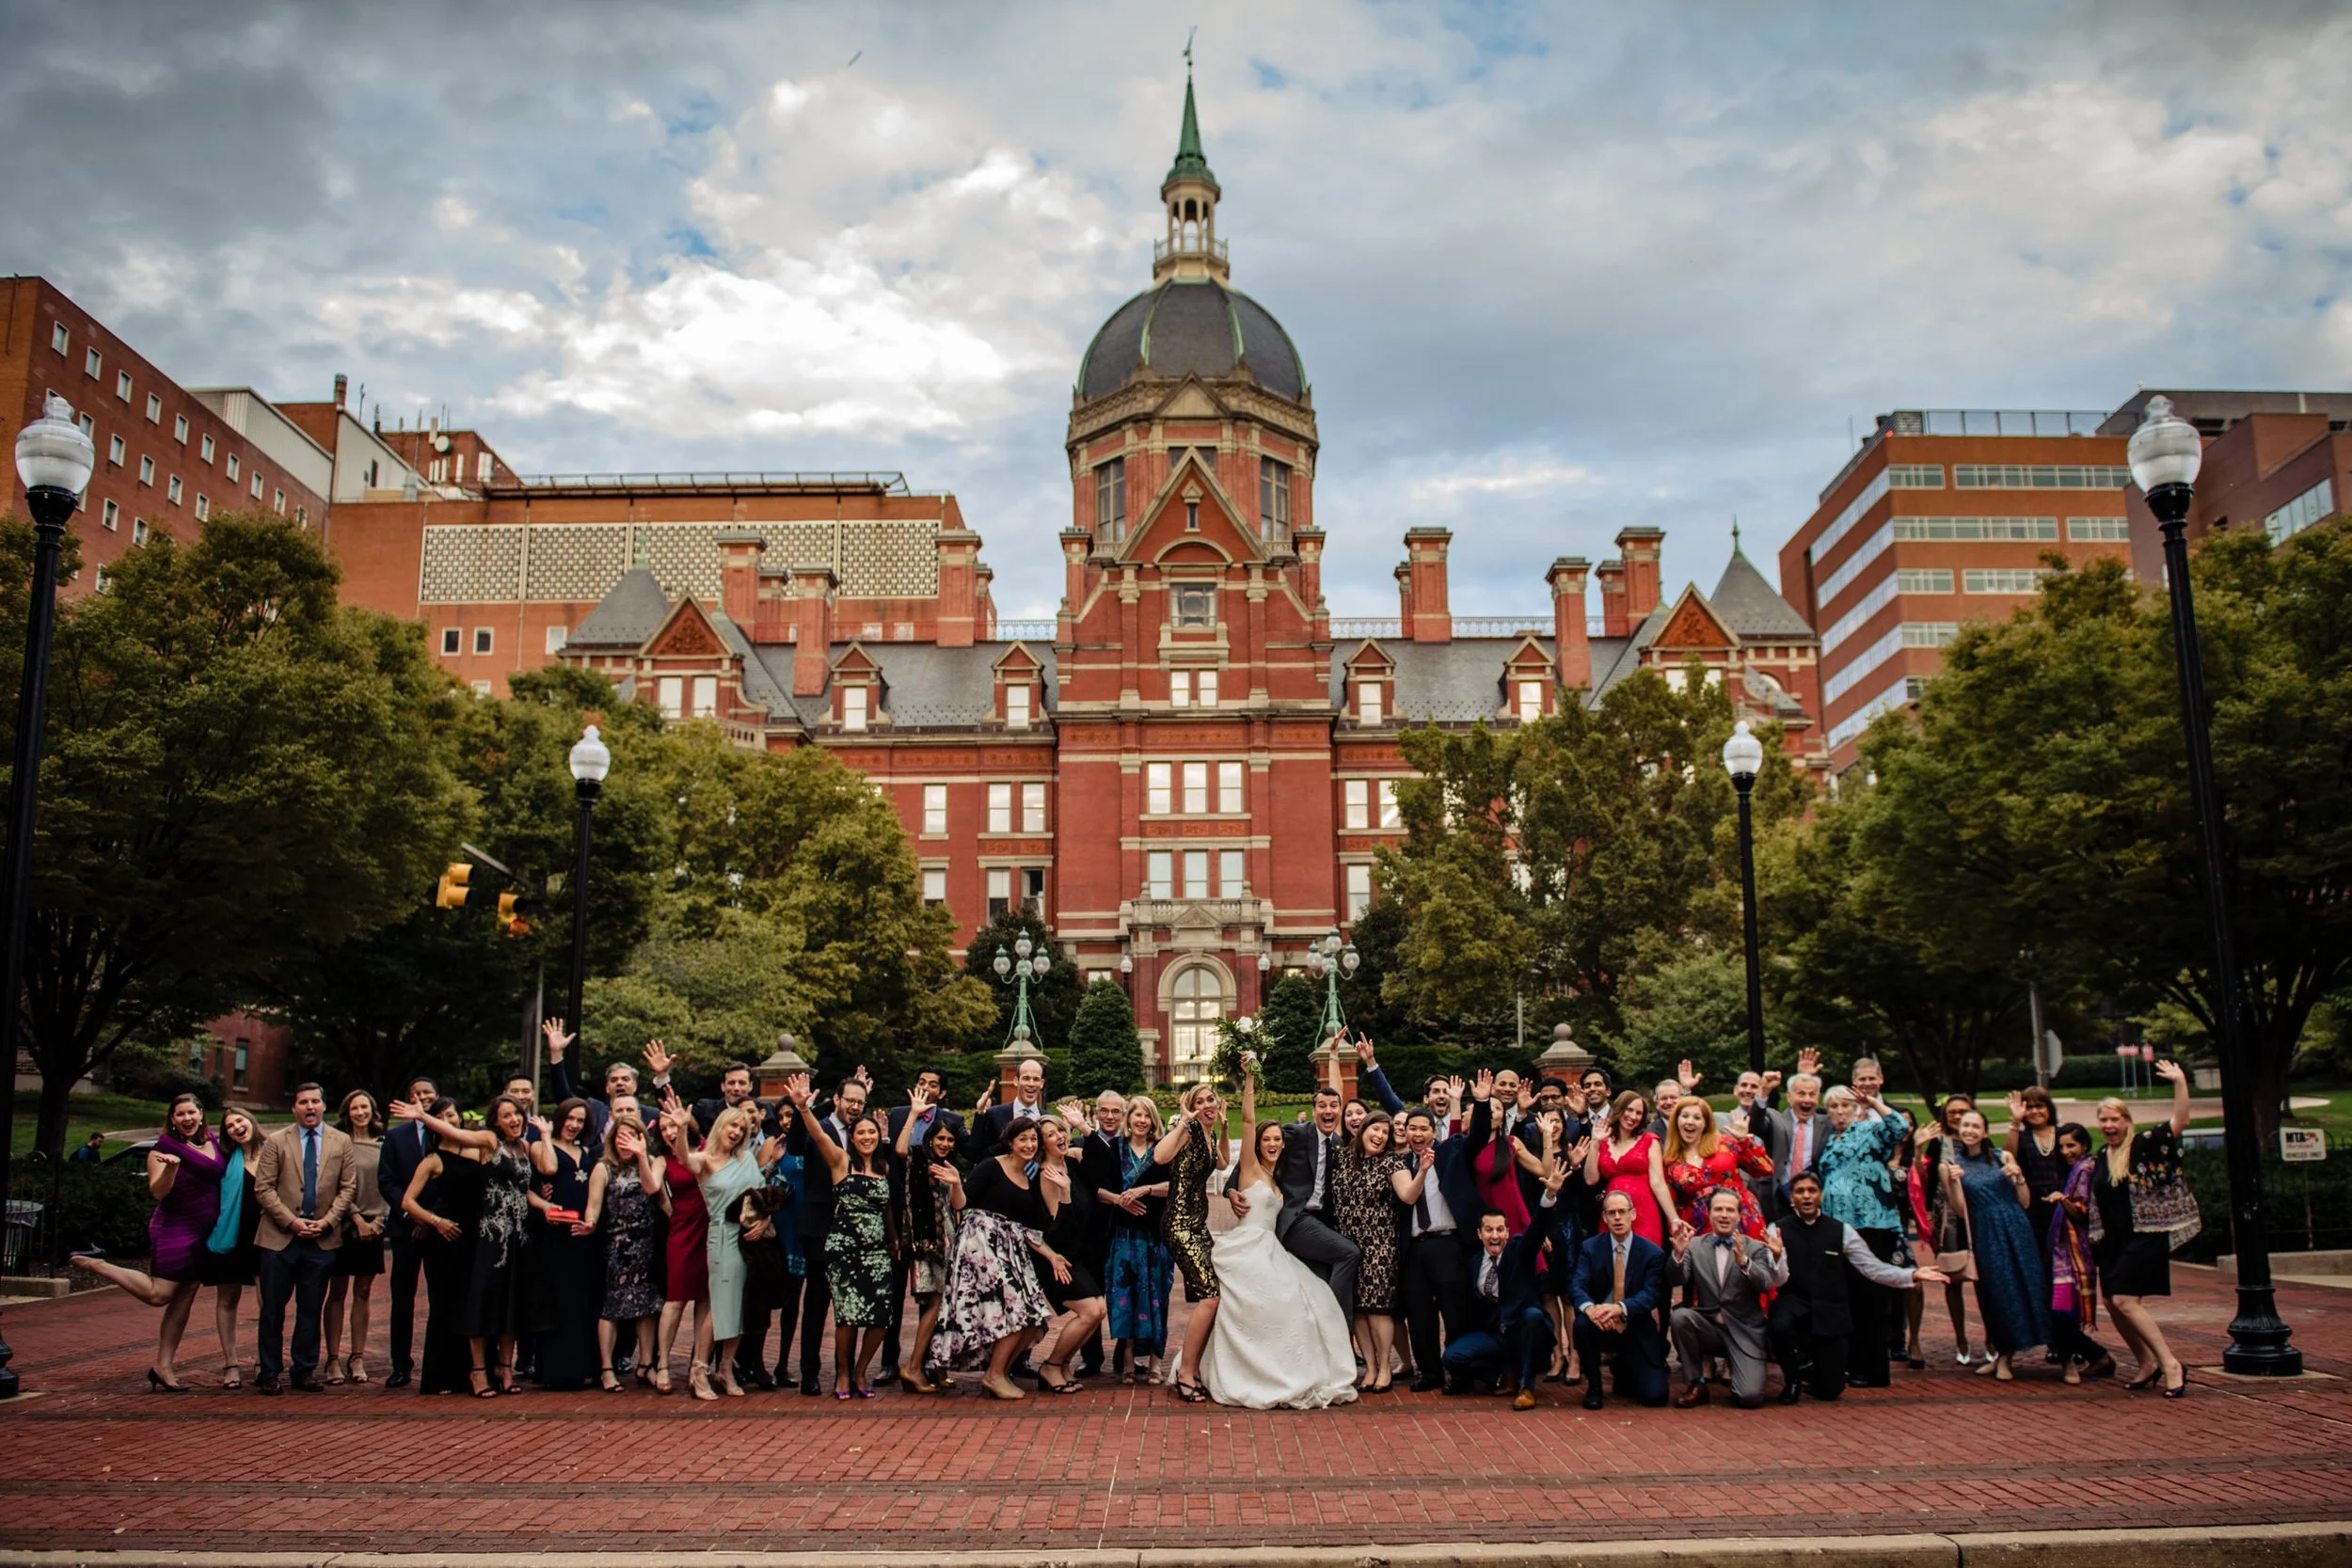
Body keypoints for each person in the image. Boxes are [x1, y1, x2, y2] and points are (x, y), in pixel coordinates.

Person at [1194, 1062, 1359, 1410]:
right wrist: (1250, 1077)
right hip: (1250, 1247)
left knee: (1303, 1301)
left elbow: (1335, 1103)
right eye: (1267, 1140)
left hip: (1273, 1246)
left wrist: (1331, 1059)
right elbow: (1250, 1122)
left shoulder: (1279, 1175)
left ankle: (1286, 1363)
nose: (1271, 1143)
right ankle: (1254, 1369)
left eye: (1276, 1140)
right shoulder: (1253, 1166)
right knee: (1277, 1303)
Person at [393, 1094, 554, 1396]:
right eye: (506, 1115)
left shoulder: (525, 1147)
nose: (514, 1119)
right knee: (482, 1305)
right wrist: (423, 1116)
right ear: (495, 1121)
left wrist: (544, 1136)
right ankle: (477, 1371)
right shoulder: (488, 1143)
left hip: (519, 1236)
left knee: (511, 1305)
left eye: (517, 1114)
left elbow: (545, 1169)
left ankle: (505, 1370)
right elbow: (456, 1134)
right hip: (490, 1237)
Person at [67, 1093, 226, 1391]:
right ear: (172, 1119)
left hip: (205, 1233)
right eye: (179, 1114)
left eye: (191, 1112)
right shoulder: (163, 1149)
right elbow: (158, 1192)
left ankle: (163, 1367)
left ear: (202, 1114)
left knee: (185, 1296)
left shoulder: (213, 1143)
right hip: (174, 1228)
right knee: (158, 1294)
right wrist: (172, 1168)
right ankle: (100, 1266)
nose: (186, 1118)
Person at [1770, 1171, 1947, 1402]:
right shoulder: (1777, 1230)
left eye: (1812, 1191)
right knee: (1779, 1326)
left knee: (1830, 1391)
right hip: (1795, 1304)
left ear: (1821, 1196)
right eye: (1800, 1191)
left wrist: (1913, 1274)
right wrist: (1776, 1257)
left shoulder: (1841, 1230)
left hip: (1830, 1310)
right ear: (1792, 1198)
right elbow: (1777, 1280)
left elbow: (1873, 1269)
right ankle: (1792, 1378)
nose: (1806, 1196)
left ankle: (1814, 1369)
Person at [930, 1116, 1065, 1401]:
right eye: (1023, 1139)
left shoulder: (1030, 1178)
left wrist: (1052, 1255)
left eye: (1033, 1139)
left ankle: (998, 1371)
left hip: (1010, 1248)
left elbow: (1031, 1227)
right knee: (1017, 1311)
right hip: (979, 1244)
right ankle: (994, 1375)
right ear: (1011, 1142)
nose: (1029, 1145)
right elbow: (962, 1204)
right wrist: (956, 1183)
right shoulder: (991, 1166)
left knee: (1034, 1317)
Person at [781, 1075, 897, 1400]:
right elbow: (796, 1146)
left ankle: (850, 1369)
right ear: (836, 1099)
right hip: (824, 1229)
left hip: (870, 1242)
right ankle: (811, 1373)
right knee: (819, 1305)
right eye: (850, 1101)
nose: (855, 1107)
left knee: (865, 1310)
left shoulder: (869, 1138)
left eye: (860, 1102)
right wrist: (802, 1108)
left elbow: (888, 1196)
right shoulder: (825, 1130)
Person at [2093, 1060, 2197, 1397]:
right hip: (2111, 1240)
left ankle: (2170, 1363)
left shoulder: (2142, 1145)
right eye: (2104, 1120)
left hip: (2145, 1233)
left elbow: (2179, 1122)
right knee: (2111, 1302)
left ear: (2126, 1121)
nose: (2109, 1125)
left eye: (2115, 1119)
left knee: (2125, 1300)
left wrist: (2180, 1083)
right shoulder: (2099, 1155)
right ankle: (2145, 1362)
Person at [251, 1084, 358, 1394]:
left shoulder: (342, 1141)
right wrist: (292, 1221)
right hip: (279, 1239)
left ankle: (304, 1369)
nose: (309, 1107)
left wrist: (327, 1222)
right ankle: (269, 1371)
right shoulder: (276, 1141)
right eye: (302, 1102)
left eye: (315, 1101)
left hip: (322, 1240)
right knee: (272, 1309)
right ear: (294, 1108)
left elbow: (348, 1188)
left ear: (324, 1106)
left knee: (310, 1308)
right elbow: (264, 1188)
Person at [1814, 1085, 1912, 1387]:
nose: (1839, 1113)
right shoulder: (1830, 1142)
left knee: (1871, 1297)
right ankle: (1852, 1364)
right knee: (1849, 1296)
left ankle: (1874, 1370)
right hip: (1837, 1226)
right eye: (1833, 1108)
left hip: (1871, 1223)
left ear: (1855, 1109)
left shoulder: (1870, 1133)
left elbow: (1900, 1127)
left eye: (1845, 1107)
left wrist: (1873, 1103)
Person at [665, 1098, 764, 1399]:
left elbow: (759, 1195)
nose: (736, 1131)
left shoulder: (746, 1159)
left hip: (750, 1239)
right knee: (719, 1307)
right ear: (721, 1125)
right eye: (733, 1125)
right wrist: (682, 1129)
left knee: (740, 1307)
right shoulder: (705, 1160)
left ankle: (726, 1368)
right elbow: (683, 1160)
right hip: (722, 1237)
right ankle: (698, 1370)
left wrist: (763, 1221)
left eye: (743, 1128)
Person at [1393, 1085, 1489, 1393]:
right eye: (1412, 1129)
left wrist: (1483, 1102)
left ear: (1434, 1132)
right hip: (1415, 1249)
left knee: (1455, 1312)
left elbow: (1477, 1138)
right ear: (1405, 1132)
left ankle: (1460, 1374)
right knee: (1419, 1315)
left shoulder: (1450, 1152)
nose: (1418, 1134)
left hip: (1448, 1244)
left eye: (1424, 1129)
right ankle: (1430, 1373)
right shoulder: (1401, 1164)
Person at [1941, 1107, 2049, 1380]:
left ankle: (2053, 1348)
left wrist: (2019, 1176)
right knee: (1995, 1294)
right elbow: (1959, 1209)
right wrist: (1954, 1183)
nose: (1969, 1131)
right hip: (1984, 1231)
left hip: (2015, 1226)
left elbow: (2024, 1201)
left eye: (1975, 1126)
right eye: (1965, 1125)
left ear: (1985, 1132)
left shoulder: (2003, 1157)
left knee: (2029, 1286)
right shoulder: (1951, 1164)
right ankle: (2003, 1355)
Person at [880, 1067, 966, 1382]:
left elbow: (959, 1205)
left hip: (946, 1239)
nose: (945, 1143)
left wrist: (957, 1182)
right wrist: (914, 1115)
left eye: (949, 1140)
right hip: (922, 1237)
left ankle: (933, 1364)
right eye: (939, 1139)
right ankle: (913, 1366)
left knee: (940, 1302)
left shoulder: (948, 1166)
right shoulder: (919, 1159)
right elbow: (899, 1150)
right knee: (932, 1301)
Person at [1444, 1195, 1567, 1409]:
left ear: (1508, 1233)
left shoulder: (1519, 1250)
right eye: (1489, 1230)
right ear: (1480, 1234)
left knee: (1534, 1315)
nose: (1495, 1235)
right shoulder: (1473, 1263)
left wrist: (1548, 1198)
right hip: (1494, 1335)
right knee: (1453, 1357)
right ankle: (1502, 1376)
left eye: (1500, 1230)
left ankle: (1527, 1386)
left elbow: (1536, 1231)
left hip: (1524, 1330)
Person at [1667, 1189, 1787, 1408]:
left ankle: (1739, 1366)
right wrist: (1678, 1255)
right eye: (1718, 1209)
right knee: (1680, 1317)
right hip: (1710, 1327)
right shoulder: (1694, 1246)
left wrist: (1744, 1263)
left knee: (1749, 1398)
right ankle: (1696, 1383)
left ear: (1740, 1215)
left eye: (1730, 1210)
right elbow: (1677, 1279)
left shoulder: (1756, 1247)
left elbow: (1765, 1284)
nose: (1724, 1215)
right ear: (1709, 1213)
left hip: (1745, 1331)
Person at [396, 1097, 479, 1396]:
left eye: (452, 1114)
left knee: (471, 1307)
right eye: (441, 1116)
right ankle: (438, 1377)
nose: (449, 1119)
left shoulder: (475, 1151)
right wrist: (436, 1222)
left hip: (474, 1239)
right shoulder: (432, 1160)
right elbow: (407, 1202)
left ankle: (470, 1374)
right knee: (444, 1307)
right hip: (444, 1242)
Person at [582, 1105, 668, 1391]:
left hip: (646, 1242)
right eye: (621, 1137)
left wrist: (642, 1155)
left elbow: (651, 1188)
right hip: (617, 1246)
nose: (626, 1142)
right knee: (612, 1307)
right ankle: (606, 1368)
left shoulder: (655, 1161)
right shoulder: (602, 1168)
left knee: (646, 1304)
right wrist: (589, 1224)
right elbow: (593, 1208)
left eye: (633, 1136)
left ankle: (645, 1364)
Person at [1330, 1108, 1412, 1391]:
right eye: (1374, 1129)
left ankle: (1386, 1368)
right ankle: (1371, 1367)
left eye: (1384, 1133)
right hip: (1347, 1245)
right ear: (1362, 1129)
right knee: (1358, 1311)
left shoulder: (1393, 1162)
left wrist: (1423, 1171)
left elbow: (1408, 1195)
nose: (1378, 1136)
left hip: (1379, 1245)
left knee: (1378, 1309)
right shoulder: (1342, 1159)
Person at [529, 1098, 603, 1390]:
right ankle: (555, 1369)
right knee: (557, 1300)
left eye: (580, 1121)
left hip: (583, 1235)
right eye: (570, 1119)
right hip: (555, 1234)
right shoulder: (540, 1146)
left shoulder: (586, 1152)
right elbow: (546, 1170)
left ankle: (583, 1366)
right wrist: (546, 1136)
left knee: (582, 1300)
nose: (574, 1125)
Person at [1569, 1192, 1668, 1410]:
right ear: (1604, 1217)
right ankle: (1594, 1387)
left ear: (1632, 1214)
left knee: (1656, 1396)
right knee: (1581, 1325)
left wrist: (1618, 1308)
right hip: (1599, 1324)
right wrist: (1592, 1310)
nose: (1617, 1218)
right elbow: (1577, 1285)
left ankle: (1623, 1370)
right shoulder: (1590, 1247)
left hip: (1634, 1325)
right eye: (1611, 1213)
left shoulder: (1652, 1253)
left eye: (1622, 1212)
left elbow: (1650, 1295)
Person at [1100, 1095, 1171, 1385]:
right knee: (1124, 1301)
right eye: (1136, 1115)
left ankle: (1155, 1362)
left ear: (1154, 1121)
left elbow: (1176, 1187)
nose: (1141, 1121)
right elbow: (1097, 1189)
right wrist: (1119, 1200)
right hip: (1123, 1239)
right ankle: (1127, 1360)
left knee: (1157, 1300)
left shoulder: (1162, 1152)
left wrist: (1145, 1190)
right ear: (1128, 1119)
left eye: (1147, 1116)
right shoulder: (1114, 1149)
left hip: (1154, 1240)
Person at [1034, 1116, 1107, 1392]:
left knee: (1099, 1309)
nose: (1060, 1137)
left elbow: (1103, 1162)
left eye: (1062, 1131)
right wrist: (1064, 1193)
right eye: (1051, 1135)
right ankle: (1051, 1366)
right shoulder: (1047, 1175)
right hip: (1056, 1257)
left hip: (1077, 1254)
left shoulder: (1072, 1164)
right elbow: (1056, 1230)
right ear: (1042, 1144)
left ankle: (1063, 1364)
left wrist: (1085, 1129)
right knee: (1089, 1310)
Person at [374, 1073, 438, 1388]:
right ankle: (401, 1366)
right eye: (417, 1093)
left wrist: (431, 1219)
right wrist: (413, 1215)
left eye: (428, 1093)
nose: (423, 1097)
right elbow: (386, 1180)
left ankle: (439, 1364)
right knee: (403, 1299)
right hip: (404, 1228)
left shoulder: (447, 1132)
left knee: (441, 1299)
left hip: (441, 1229)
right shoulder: (396, 1137)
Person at [322, 1090, 388, 1386]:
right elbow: (333, 1185)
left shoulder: (384, 1144)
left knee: (362, 1293)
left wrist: (379, 1220)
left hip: (375, 1226)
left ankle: (357, 1357)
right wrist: (357, 1218)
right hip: (344, 1224)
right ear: (347, 1112)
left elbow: (390, 1184)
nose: (359, 1112)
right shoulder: (337, 1143)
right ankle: (333, 1359)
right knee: (336, 1292)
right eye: (354, 1108)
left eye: (365, 1107)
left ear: (372, 1111)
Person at [2046, 1122, 2117, 1385]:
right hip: (2063, 1252)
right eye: (2062, 1146)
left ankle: (2096, 1356)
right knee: (2060, 1311)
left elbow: (2081, 1212)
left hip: (2076, 1254)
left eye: (2071, 1145)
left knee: (2062, 1311)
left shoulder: (2086, 1169)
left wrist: (2062, 1201)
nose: (2066, 1151)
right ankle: (2096, 1356)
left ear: (2084, 1145)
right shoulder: (2073, 1170)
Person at [1914, 1091, 1979, 1365]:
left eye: (1963, 1111)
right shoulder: (1938, 1143)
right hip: (1946, 1218)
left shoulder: (1979, 1140)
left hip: (1977, 1214)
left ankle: (1992, 1338)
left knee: (1982, 1277)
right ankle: (1961, 1338)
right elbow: (1922, 1178)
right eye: (1952, 1112)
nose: (1957, 1116)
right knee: (1952, 1277)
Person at [1068, 1088, 1128, 1378]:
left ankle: (1125, 1355)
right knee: (1091, 1292)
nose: (1110, 1116)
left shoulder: (1130, 1145)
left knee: (1126, 1293)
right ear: (1096, 1111)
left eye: (1116, 1111)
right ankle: (1090, 1357)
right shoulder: (1079, 1144)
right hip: (1090, 1230)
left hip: (1125, 1227)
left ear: (1123, 1115)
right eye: (1104, 1110)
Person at [655, 1104, 712, 1396]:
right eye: (663, 1128)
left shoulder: (705, 1147)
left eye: (673, 1126)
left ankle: (698, 1363)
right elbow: (654, 1188)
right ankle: (662, 1363)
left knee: (706, 1298)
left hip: (710, 1226)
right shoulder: (663, 1159)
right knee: (675, 1299)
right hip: (682, 1229)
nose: (669, 1132)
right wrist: (641, 1155)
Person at [1661, 1097, 1774, 1241]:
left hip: (1741, 1218)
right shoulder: (1671, 1159)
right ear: (1676, 1121)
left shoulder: (1725, 1144)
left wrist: (1744, 1141)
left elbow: (1766, 1168)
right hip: (1700, 1227)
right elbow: (1673, 1202)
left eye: (1697, 1118)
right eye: (1685, 1116)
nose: (1690, 1121)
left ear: (1705, 1123)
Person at [1583, 1091, 1672, 1247]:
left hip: (1644, 1211)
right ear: (1619, 1109)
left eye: (1639, 1113)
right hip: (1614, 1212)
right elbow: (1591, 1179)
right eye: (1629, 1110)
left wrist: (1673, 1218)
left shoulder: (1650, 1140)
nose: (1633, 1116)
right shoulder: (1603, 1141)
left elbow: (1659, 1183)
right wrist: (1595, 1143)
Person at [969, 1057, 1050, 1161]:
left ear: (1042, 1083)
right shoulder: (994, 1115)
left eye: (1036, 1079)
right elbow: (976, 1153)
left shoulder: (1048, 1119)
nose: (1031, 1084)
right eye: (1026, 1078)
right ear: (1016, 1081)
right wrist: (980, 1112)